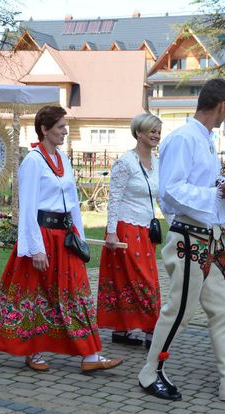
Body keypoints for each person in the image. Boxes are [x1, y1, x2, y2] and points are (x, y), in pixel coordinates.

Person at [137, 79, 225, 404]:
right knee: (180, 309)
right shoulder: (184, 139)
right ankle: (150, 371)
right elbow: (170, 190)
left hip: (214, 239)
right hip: (190, 238)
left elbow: (217, 197)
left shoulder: (205, 140)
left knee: (224, 311)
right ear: (223, 106)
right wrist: (219, 192)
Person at [0, 106, 123, 373]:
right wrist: (35, 248)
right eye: (60, 127)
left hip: (65, 238)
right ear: (44, 130)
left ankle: (91, 355)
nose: (65, 131)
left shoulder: (62, 159)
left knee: (77, 291)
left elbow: (71, 202)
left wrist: (78, 235)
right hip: (43, 236)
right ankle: (32, 350)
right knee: (36, 293)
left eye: (65, 126)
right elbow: (28, 207)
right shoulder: (33, 161)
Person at [97, 113, 162, 349]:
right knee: (142, 282)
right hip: (125, 228)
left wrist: (176, 223)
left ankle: (122, 330)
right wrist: (112, 233)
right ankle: (151, 330)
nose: (156, 135)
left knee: (139, 280)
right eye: (151, 131)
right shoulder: (125, 163)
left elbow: (161, 197)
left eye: (157, 131)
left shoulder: (157, 163)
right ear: (139, 134)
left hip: (146, 230)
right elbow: (114, 199)